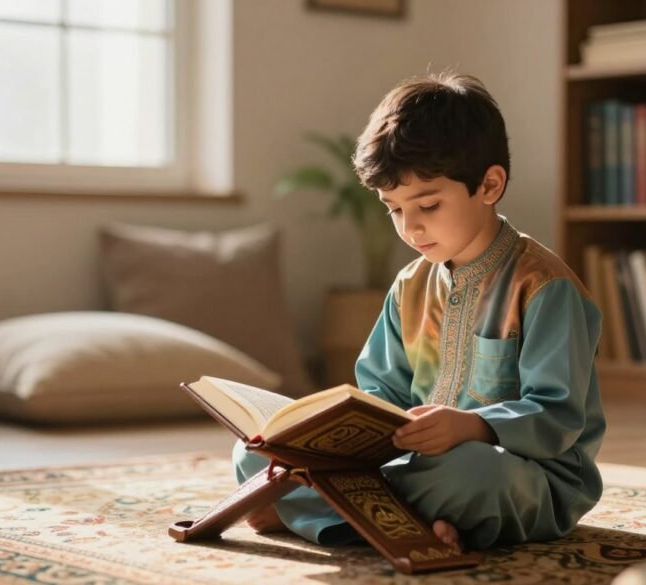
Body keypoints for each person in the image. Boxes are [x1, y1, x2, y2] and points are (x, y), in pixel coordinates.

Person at [234, 72, 606, 551]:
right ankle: (405, 525)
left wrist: (472, 426)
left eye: (427, 204)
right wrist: (327, 436)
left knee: (469, 472)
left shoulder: (545, 287)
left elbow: (557, 417)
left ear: (490, 185)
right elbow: (379, 392)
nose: (410, 227)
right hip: (410, 466)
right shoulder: (409, 286)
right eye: (393, 209)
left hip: (523, 474)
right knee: (257, 452)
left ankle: (334, 516)